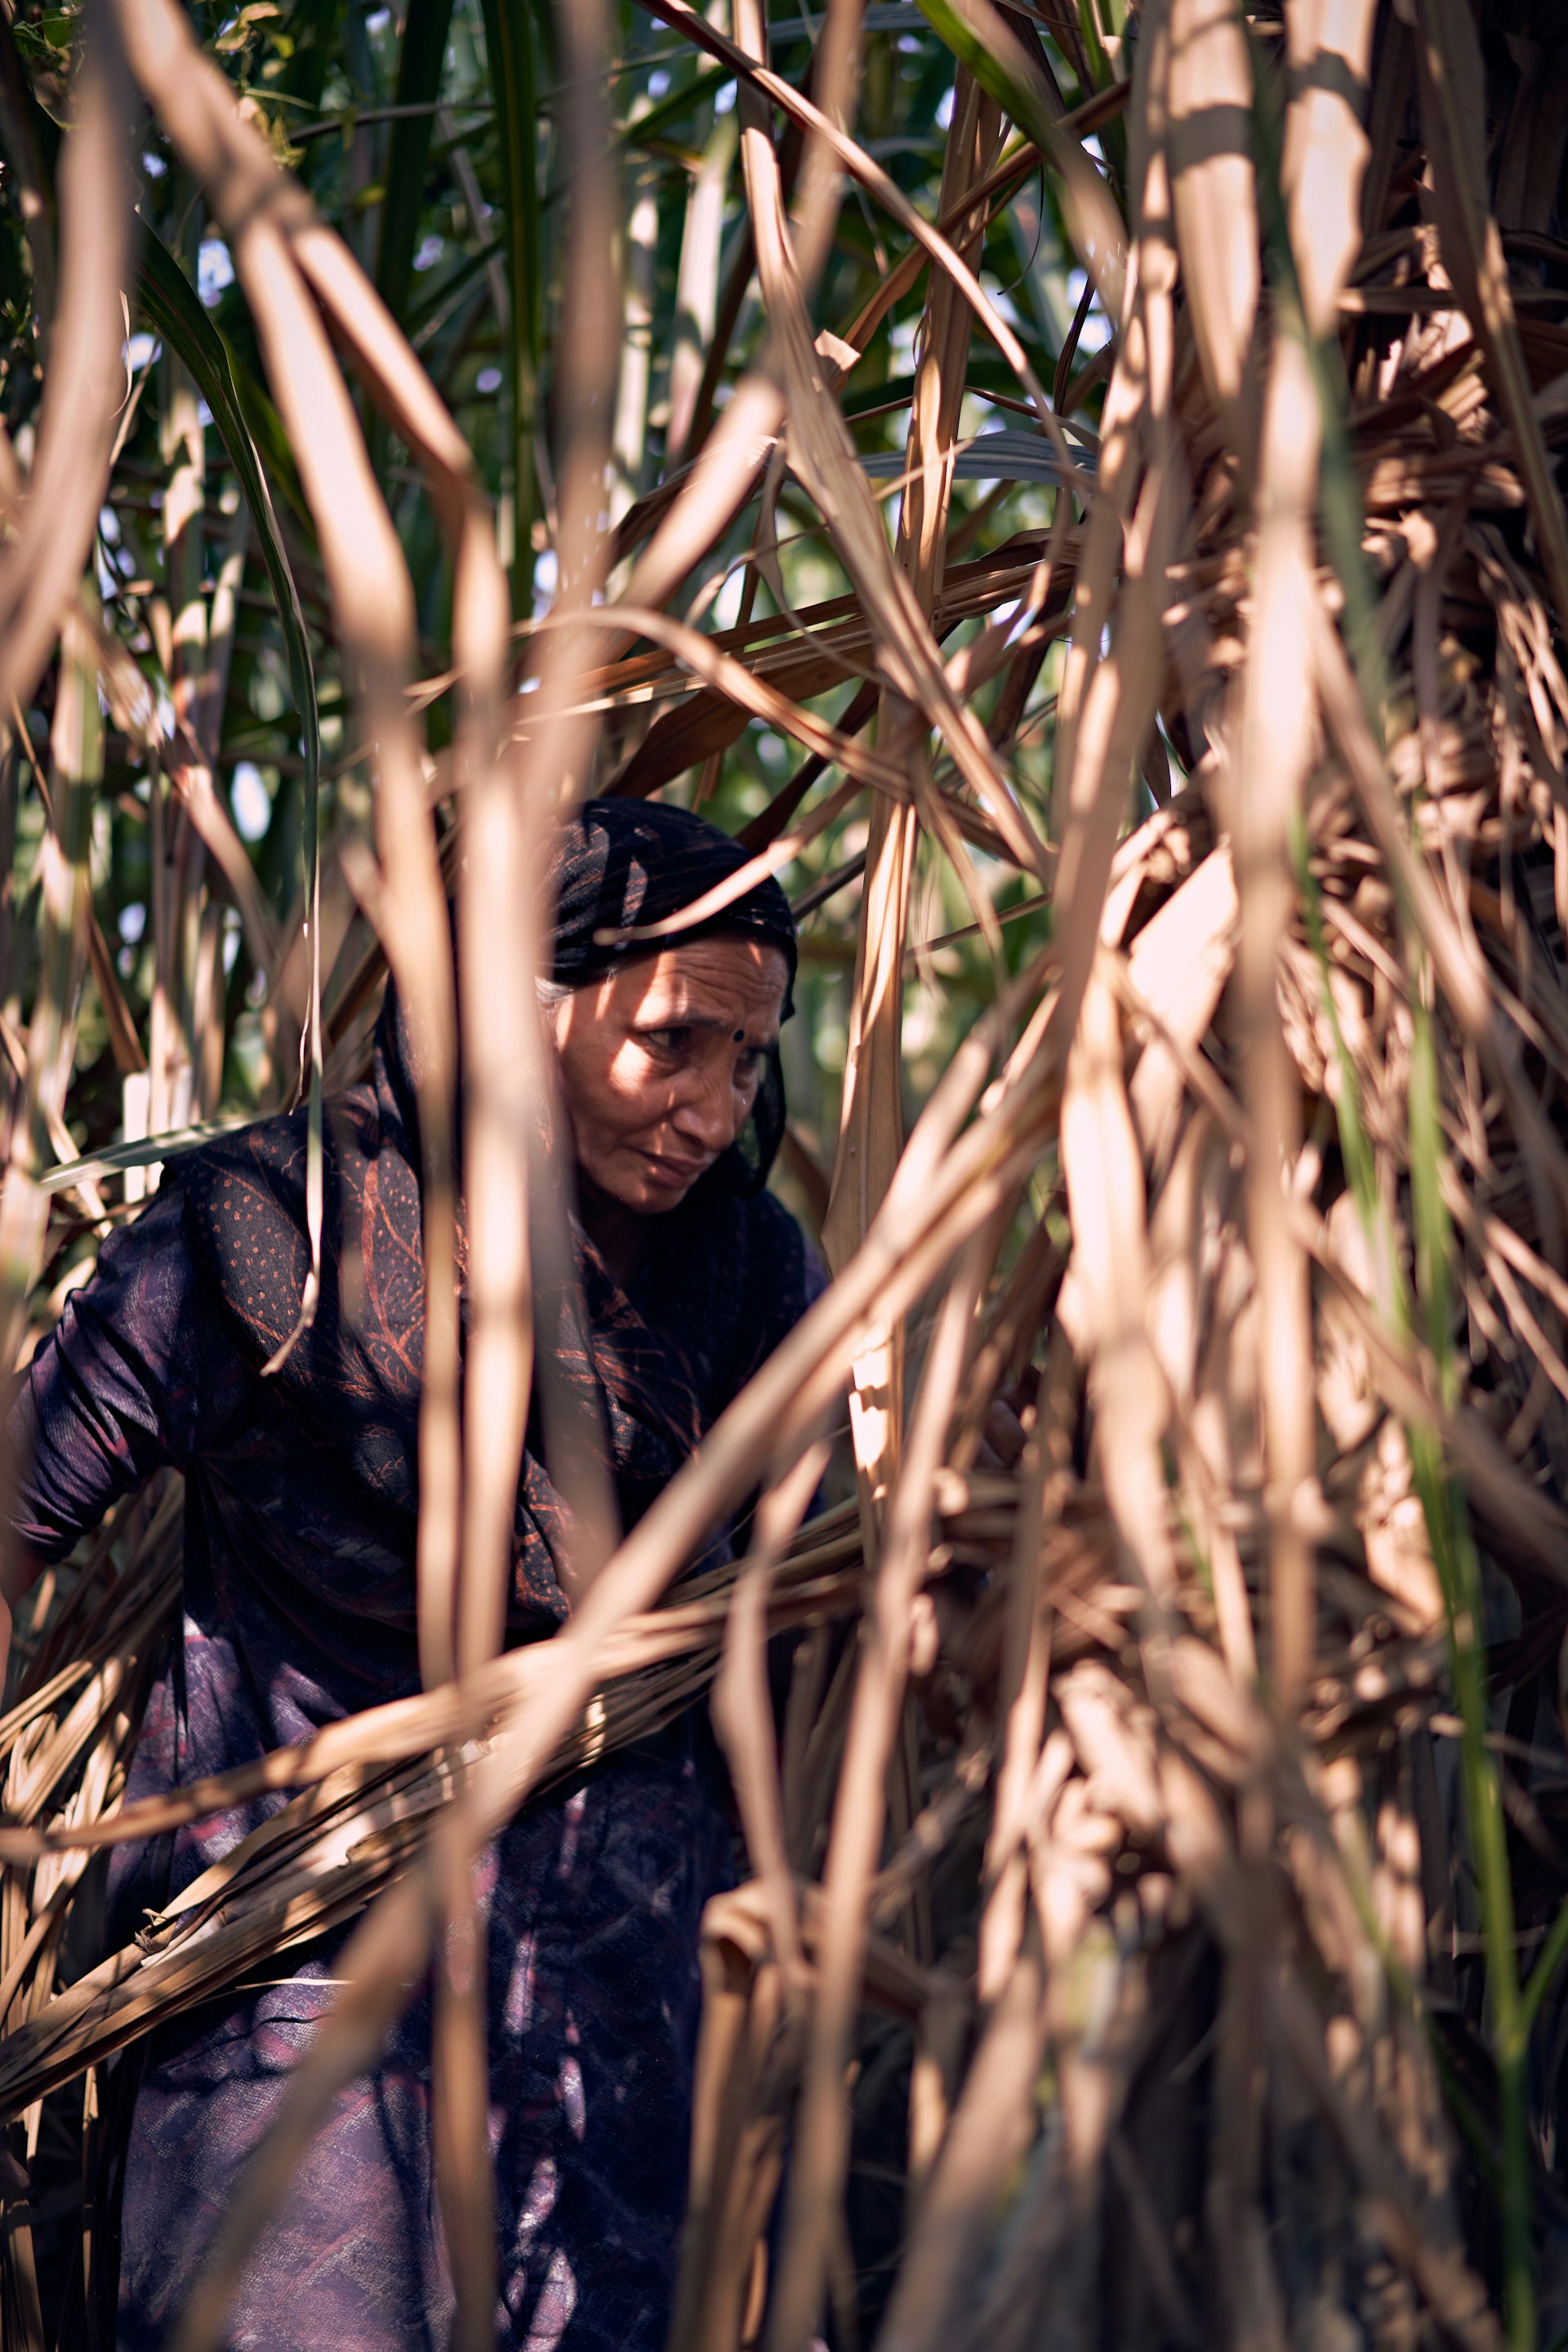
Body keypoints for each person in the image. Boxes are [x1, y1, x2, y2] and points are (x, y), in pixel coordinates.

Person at [3, 797, 822, 2351]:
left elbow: (795, 1658)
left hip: (610, 2058)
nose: (716, 1113)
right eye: (673, 1045)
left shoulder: (752, 1284)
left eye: (747, 1059)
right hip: (290, 2032)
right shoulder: (268, 1233)